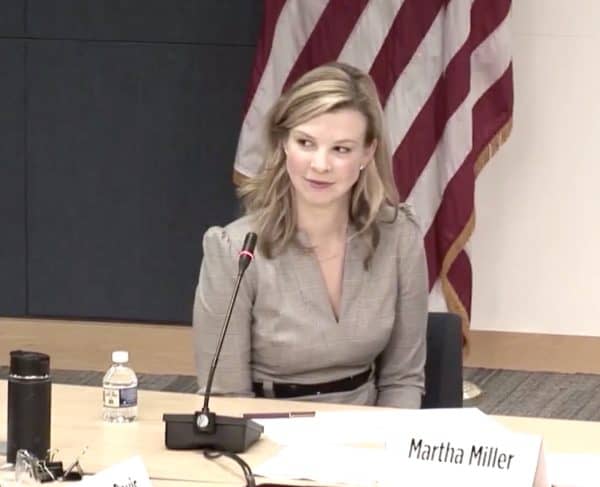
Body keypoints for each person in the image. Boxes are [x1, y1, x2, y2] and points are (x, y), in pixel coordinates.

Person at [193, 62, 428, 408]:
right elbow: (227, 397)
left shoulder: (399, 238)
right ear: (283, 143)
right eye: (306, 143)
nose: (320, 165)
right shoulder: (234, 250)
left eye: (341, 149)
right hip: (266, 428)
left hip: (370, 429)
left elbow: (402, 380)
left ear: (367, 153)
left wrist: (388, 440)